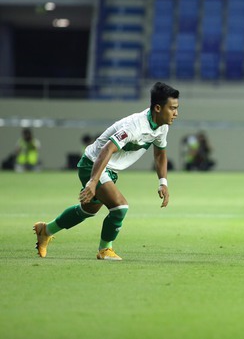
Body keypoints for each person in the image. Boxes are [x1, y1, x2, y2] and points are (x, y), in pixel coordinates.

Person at [32, 82, 179, 261]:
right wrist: (93, 181)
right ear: (158, 107)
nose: (176, 113)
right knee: (120, 207)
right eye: (172, 108)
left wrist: (163, 182)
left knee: (87, 210)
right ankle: (105, 249)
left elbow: (160, 153)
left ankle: (45, 230)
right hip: (93, 164)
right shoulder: (134, 126)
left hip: (108, 170)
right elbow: (107, 150)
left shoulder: (162, 127)